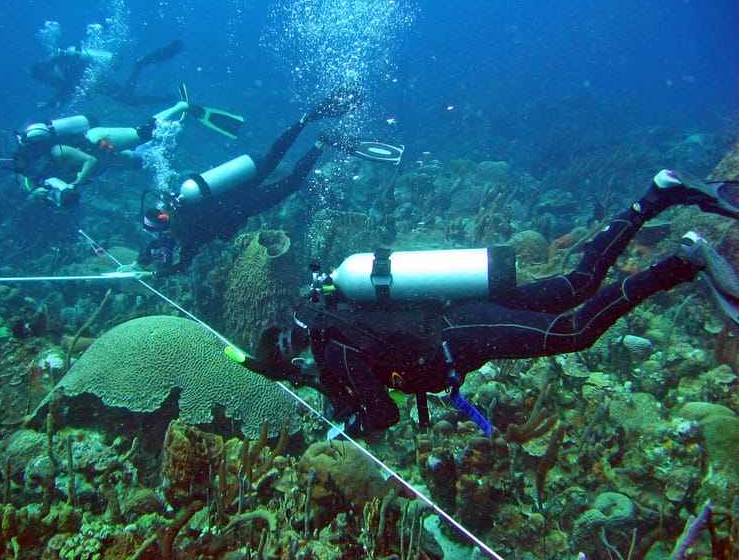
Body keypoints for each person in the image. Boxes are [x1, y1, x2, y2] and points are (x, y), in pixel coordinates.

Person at [242, 169, 739, 436]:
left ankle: (684, 261)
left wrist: (347, 414)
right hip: (456, 309)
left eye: (296, 371)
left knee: (571, 332)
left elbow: (384, 417)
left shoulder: (331, 351)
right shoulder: (332, 315)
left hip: (458, 334)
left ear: (291, 359)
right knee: (574, 286)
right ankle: (655, 196)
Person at [132, 88, 404, 276]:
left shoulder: (185, 230)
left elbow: (184, 256)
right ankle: (306, 119)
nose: (162, 238)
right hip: (238, 180)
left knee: (293, 183)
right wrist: (148, 255)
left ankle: (322, 142)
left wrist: (164, 270)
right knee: (273, 158)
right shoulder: (182, 206)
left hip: (242, 204)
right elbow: (175, 247)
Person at [12, 85, 244, 208]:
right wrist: (37, 192)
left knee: (142, 133)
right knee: (138, 162)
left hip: (97, 143)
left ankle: (179, 106)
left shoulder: (55, 152)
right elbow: (31, 182)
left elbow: (89, 162)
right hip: (101, 159)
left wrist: (76, 182)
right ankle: (164, 133)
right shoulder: (34, 172)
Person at [31, 39, 184, 109]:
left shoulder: (61, 66)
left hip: (97, 79)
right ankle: (166, 99)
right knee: (130, 99)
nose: (46, 83)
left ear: (43, 72)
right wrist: (52, 102)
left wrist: (56, 99)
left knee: (129, 98)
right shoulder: (59, 73)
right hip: (96, 82)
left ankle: (141, 64)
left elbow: (69, 87)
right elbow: (66, 91)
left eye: (43, 79)